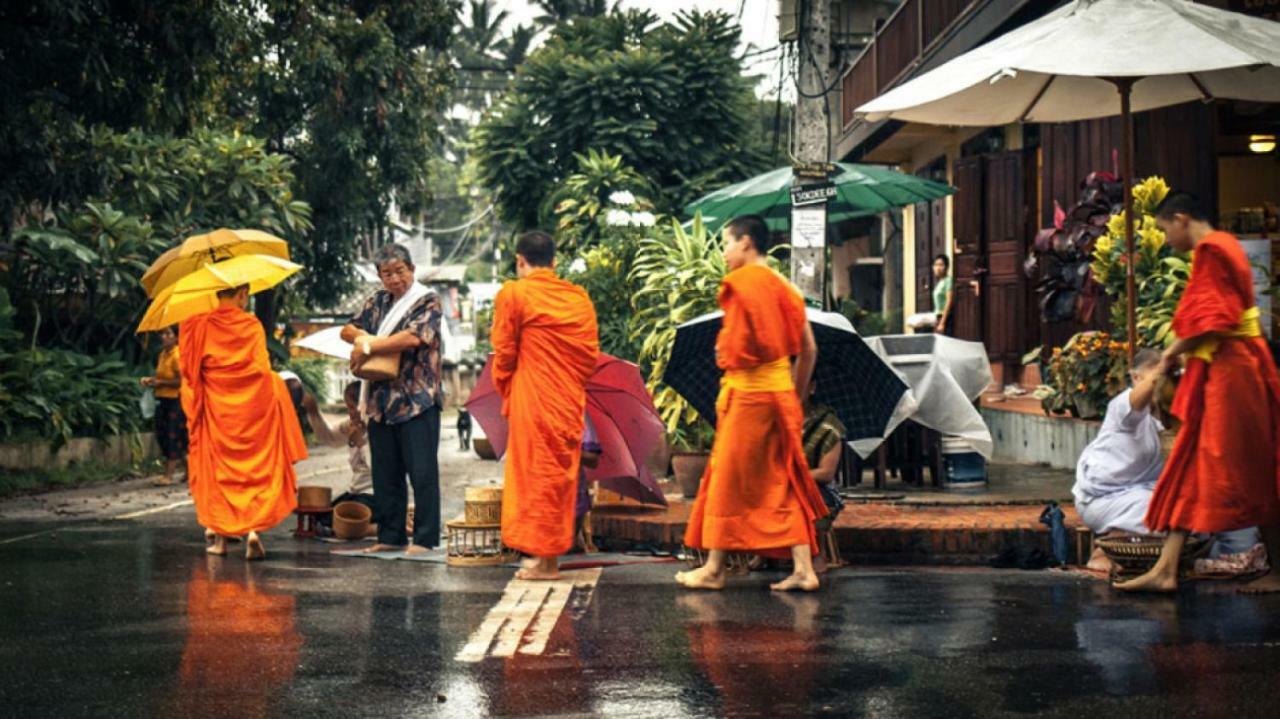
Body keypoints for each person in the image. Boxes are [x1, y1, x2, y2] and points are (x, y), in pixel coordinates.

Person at [1116, 192, 1280, 594]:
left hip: (1234, 373)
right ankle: (1167, 569)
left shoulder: (1211, 249)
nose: (1166, 239)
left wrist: (1171, 352)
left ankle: (1276, 570)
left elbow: (1215, 322)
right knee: (1192, 462)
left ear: (1182, 218)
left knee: (1258, 465)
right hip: (1228, 368)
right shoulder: (1226, 245)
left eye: (1163, 228)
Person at [677, 214, 828, 592]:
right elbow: (808, 350)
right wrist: (793, 395)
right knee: (782, 477)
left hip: (749, 396)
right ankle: (804, 569)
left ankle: (713, 569)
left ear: (746, 242)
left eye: (727, 243)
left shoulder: (744, 282)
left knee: (726, 476)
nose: (725, 252)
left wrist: (724, 351)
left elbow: (741, 348)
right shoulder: (786, 288)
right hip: (778, 393)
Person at [491, 231, 599, 580]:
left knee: (535, 476)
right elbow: (588, 356)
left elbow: (504, 352)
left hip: (534, 396)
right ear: (554, 262)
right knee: (558, 477)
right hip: (566, 399)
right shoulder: (578, 298)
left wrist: (507, 382)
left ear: (520, 260)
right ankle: (547, 559)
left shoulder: (515, 293)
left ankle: (545, 561)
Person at [181, 284, 308, 560]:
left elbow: (190, 374)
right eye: (246, 295)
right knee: (254, 471)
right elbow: (261, 368)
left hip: (218, 411)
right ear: (241, 294)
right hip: (252, 409)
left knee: (220, 475)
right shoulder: (251, 325)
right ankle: (252, 532)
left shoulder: (198, 324)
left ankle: (222, 542)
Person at [342, 243, 444, 558]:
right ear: (380, 276)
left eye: (400, 271)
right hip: (381, 400)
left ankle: (425, 538)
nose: (395, 278)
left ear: (411, 270)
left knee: (422, 471)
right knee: (385, 473)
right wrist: (363, 339)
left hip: (417, 398)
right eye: (388, 273)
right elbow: (348, 329)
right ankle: (391, 534)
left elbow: (414, 337)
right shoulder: (377, 302)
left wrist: (370, 346)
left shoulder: (427, 300)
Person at [1073, 348, 1165, 537]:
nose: (1162, 387)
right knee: (1161, 512)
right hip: (1103, 500)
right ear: (1135, 378)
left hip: (1146, 492)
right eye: (1155, 381)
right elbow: (1137, 402)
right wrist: (1164, 369)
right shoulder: (1121, 406)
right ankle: (1111, 544)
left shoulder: (1171, 414)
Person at [300, 382, 374, 508]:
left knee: (336, 520)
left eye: (351, 407)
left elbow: (378, 468)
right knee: (322, 515)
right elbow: (330, 439)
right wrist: (313, 412)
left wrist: (361, 443)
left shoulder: (379, 427)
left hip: (374, 495)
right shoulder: (351, 424)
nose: (350, 413)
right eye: (348, 408)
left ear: (364, 405)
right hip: (356, 492)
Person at [803, 381, 846, 573]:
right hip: (780, 484)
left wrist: (792, 477)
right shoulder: (776, 419)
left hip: (818, 488)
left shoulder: (828, 425)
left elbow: (826, 473)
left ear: (812, 387)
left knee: (812, 495)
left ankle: (817, 553)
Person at [141, 325, 187, 486]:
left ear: (176, 337)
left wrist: (160, 382)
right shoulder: (163, 355)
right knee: (164, 435)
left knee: (172, 436)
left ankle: (168, 475)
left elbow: (181, 380)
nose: (164, 337)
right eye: (162, 334)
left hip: (176, 400)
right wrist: (152, 381)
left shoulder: (177, 355)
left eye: (168, 333)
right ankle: (190, 470)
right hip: (163, 400)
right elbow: (161, 376)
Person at [932, 254, 954, 335]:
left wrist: (942, 323)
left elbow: (949, 301)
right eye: (936, 265)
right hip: (938, 317)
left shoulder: (948, 280)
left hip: (946, 318)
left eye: (941, 265)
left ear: (947, 267)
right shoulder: (940, 282)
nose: (938, 268)